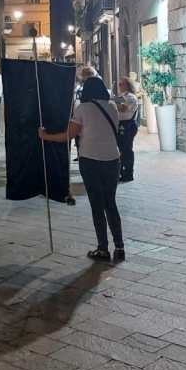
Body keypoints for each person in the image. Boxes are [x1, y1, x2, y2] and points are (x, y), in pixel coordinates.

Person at [40, 75, 124, 262]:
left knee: (97, 204)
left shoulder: (82, 109)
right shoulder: (112, 107)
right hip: (112, 159)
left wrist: (46, 137)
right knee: (110, 203)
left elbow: (68, 136)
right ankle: (120, 247)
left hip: (91, 159)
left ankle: (103, 248)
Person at [115, 77, 140, 182]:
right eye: (119, 84)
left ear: (128, 85)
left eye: (121, 84)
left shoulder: (131, 97)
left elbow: (123, 108)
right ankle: (120, 172)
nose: (119, 86)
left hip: (128, 125)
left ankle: (128, 173)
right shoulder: (121, 96)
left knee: (126, 150)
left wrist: (112, 103)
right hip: (121, 124)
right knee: (120, 149)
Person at [72, 65, 97, 162]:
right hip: (80, 112)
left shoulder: (94, 85)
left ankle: (85, 156)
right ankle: (80, 154)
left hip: (88, 113)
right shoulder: (81, 85)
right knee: (79, 137)